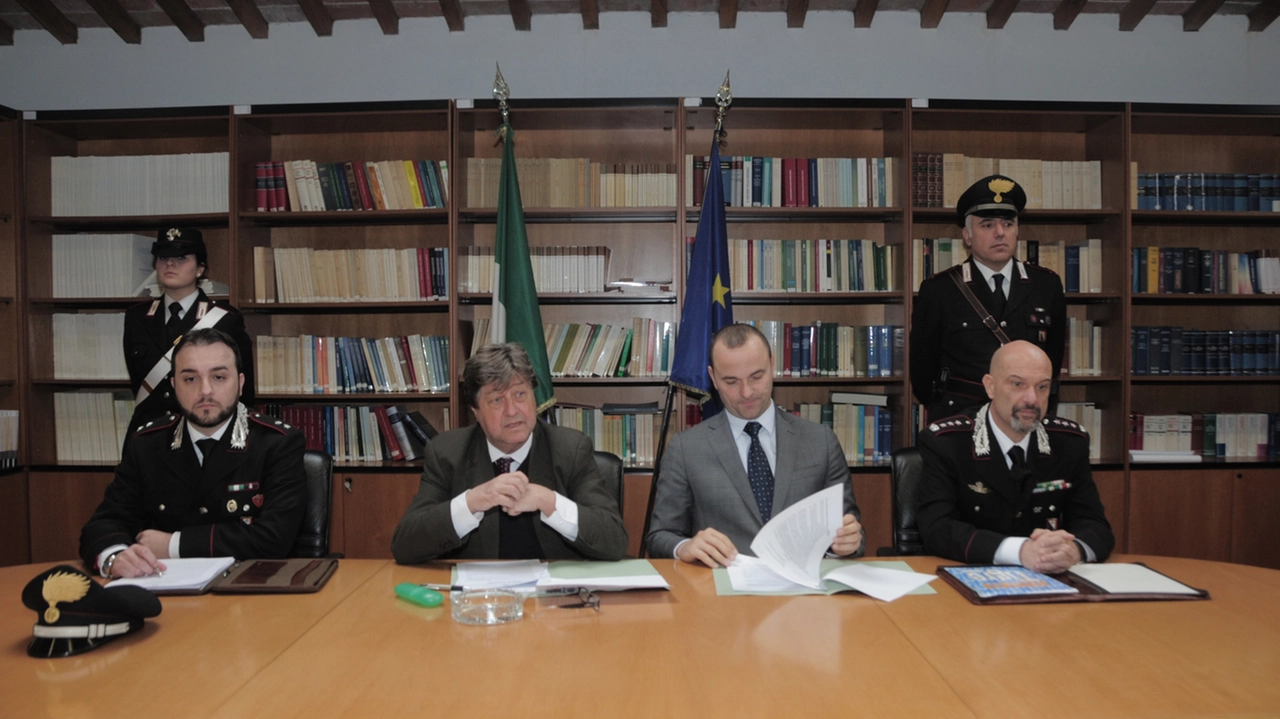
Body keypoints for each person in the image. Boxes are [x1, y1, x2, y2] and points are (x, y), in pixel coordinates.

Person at [80, 328, 306, 579]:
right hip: (167, 594)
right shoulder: (147, 445)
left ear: (240, 384)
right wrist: (115, 558)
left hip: (250, 590)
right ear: (174, 385)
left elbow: (273, 541)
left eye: (219, 377)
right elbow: (103, 524)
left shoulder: (276, 444)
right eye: (191, 379)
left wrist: (173, 545)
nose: (205, 390)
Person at [646, 324, 864, 567]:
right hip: (720, 593)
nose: (746, 392)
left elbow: (851, 528)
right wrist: (684, 547)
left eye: (756, 377)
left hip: (803, 595)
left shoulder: (820, 441)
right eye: (731, 381)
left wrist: (845, 544)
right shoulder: (686, 449)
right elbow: (659, 537)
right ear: (713, 378)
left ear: (772, 365)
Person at [391, 343, 627, 563]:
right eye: (496, 400)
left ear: (534, 398)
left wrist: (549, 502)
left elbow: (614, 541)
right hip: (482, 599)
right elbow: (405, 545)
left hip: (554, 597)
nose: (512, 410)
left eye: (520, 394)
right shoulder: (447, 454)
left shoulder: (570, 449)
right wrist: (471, 502)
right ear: (476, 411)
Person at [915, 341, 1114, 573]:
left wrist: (1074, 550)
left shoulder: (1069, 442)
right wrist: (1020, 551)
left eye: (1042, 387)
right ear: (990, 387)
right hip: (972, 579)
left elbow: (1096, 525)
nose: (1031, 398)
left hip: (1051, 583)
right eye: (1017, 384)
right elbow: (937, 529)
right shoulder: (947, 441)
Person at [910, 175, 1065, 421]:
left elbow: (1052, 361)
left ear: (1017, 231)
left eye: (1008, 224)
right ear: (967, 236)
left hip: (1024, 417)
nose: (1000, 233)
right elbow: (922, 371)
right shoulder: (940, 289)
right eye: (987, 225)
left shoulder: (1047, 285)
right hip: (960, 419)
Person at [123, 227, 255, 432]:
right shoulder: (137, 318)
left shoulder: (224, 319)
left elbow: (244, 392)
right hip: (151, 435)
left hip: (205, 431)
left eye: (181, 257)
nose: (170, 264)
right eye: (162, 257)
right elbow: (138, 382)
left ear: (200, 268)